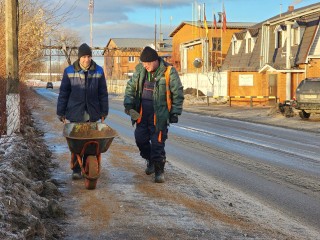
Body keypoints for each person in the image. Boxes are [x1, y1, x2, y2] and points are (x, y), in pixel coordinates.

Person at [124, 46, 184, 183]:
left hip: (160, 115)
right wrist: (128, 104)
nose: (145, 66)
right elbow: (130, 88)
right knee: (140, 140)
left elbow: (178, 93)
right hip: (141, 114)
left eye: (147, 63)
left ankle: (159, 171)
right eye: (143, 64)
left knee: (157, 144)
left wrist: (175, 112)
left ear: (155, 60)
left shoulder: (169, 72)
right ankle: (150, 160)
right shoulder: (140, 71)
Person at [57, 43, 109, 180]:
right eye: (84, 56)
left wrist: (104, 112)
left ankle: (89, 163)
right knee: (76, 143)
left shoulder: (98, 71)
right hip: (75, 112)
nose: (87, 59)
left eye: (89, 56)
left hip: (92, 113)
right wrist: (60, 112)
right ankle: (75, 169)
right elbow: (64, 93)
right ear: (79, 57)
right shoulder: (69, 71)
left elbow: (103, 93)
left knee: (91, 142)